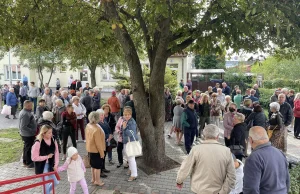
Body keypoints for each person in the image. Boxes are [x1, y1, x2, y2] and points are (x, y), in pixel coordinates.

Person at [176, 124, 236, 193]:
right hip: (218, 191)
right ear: (217, 136)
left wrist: (179, 181)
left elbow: (186, 167)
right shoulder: (226, 151)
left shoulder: (196, 149)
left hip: (199, 190)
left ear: (204, 136)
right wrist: (223, 192)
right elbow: (232, 176)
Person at [243, 126, 290, 194]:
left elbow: (251, 189)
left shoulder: (253, 158)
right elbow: (287, 180)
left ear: (250, 140)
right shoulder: (280, 153)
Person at [31, 125, 59, 194]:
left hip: (51, 165)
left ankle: (46, 192)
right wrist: (46, 157)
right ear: (43, 133)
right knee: (46, 185)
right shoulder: (38, 142)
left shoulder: (53, 139)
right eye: (49, 133)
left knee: (56, 182)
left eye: (51, 132)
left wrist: (56, 165)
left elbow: (56, 152)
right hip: (42, 166)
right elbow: (34, 157)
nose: (51, 134)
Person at [85, 111, 105, 186]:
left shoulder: (88, 125)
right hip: (96, 151)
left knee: (93, 165)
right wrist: (102, 153)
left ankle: (93, 179)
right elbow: (98, 143)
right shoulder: (97, 129)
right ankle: (98, 181)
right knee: (98, 167)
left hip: (89, 149)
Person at [122, 106, 139, 181]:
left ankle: (134, 174)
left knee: (131, 158)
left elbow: (131, 133)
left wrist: (124, 128)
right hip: (127, 142)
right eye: (125, 115)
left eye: (128, 114)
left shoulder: (131, 122)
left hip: (131, 142)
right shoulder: (126, 121)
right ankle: (130, 169)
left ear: (131, 114)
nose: (127, 116)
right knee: (129, 157)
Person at [19, 100, 37, 168]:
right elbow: (23, 126)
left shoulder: (27, 112)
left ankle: (25, 161)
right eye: (31, 105)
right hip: (27, 135)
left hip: (28, 134)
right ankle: (28, 163)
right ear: (27, 106)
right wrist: (32, 131)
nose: (32, 106)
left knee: (26, 148)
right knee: (28, 148)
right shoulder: (25, 114)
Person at [97, 109, 113, 177]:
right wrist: (107, 137)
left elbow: (109, 129)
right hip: (102, 142)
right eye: (101, 115)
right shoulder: (97, 123)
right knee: (101, 157)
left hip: (107, 141)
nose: (102, 116)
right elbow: (100, 134)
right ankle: (100, 171)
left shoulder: (105, 121)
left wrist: (110, 135)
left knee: (104, 155)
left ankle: (103, 168)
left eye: (103, 115)